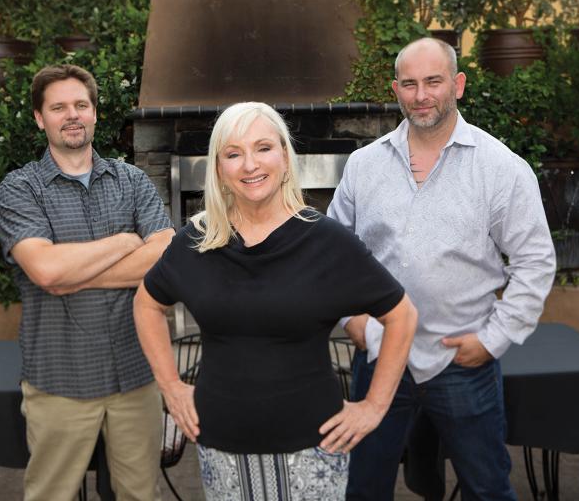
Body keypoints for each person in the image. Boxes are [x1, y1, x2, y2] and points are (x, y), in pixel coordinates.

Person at [134, 102, 418, 500]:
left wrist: (374, 406)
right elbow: (146, 304)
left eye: (263, 148)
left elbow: (401, 316)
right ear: (218, 168)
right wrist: (170, 386)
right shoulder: (195, 242)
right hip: (221, 445)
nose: (250, 164)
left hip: (314, 446)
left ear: (285, 156)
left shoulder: (329, 242)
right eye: (233, 154)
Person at [328, 38, 557, 500]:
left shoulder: (502, 169)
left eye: (433, 81)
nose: (421, 95)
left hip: (462, 361)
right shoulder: (363, 166)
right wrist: (350, 319)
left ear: (458, 85)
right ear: (396, 90)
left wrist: (493, 339)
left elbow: (536, 261)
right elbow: (332, 254)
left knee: (487, 488)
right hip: (378, 355)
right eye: (409, 84)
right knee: (362, 488)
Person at [0, 64, 174, 501]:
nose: (71, 114)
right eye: (58, 107)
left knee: (140, 495)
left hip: (136, 374)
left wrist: (72, 275)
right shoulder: (20, 189)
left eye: (81, 104)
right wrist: (126, 242)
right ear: (41, 118)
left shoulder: (132, 181)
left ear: (95, 113)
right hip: (61, 379)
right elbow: (47, 271)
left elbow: (168, 256)